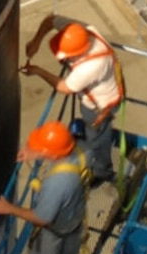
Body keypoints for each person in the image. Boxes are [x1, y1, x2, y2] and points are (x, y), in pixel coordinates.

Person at [0, 120, 89, 254]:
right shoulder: (81, 152)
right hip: (76, 217)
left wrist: (9, 208)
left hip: (56, 227)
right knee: (71, 251)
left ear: (52, 154)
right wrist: (33, 152)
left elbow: (42, 218)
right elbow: (53, 152)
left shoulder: (57, 184)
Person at [21, 17, 123, 184]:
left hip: (100, 107)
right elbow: (50, 20)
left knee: (96, 137)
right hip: (102, 91)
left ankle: (102, 171)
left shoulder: (90, 67)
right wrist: (36, 41)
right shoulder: (82, 31)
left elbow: (65, 87)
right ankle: (93, 151)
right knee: (94, 134)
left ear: (77, 53)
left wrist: (38, 71)